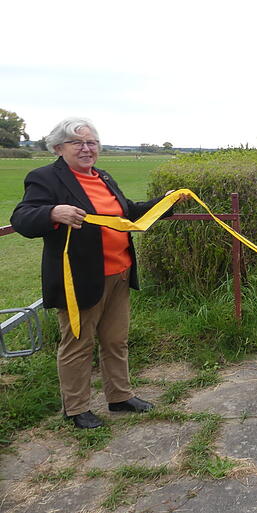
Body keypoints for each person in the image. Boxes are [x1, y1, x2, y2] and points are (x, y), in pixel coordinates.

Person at [11, 118, 183, 429]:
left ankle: (119, 396)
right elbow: (22, 218)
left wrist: (165, 203)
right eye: (78, 143)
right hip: (79, 279)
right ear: (59, 148)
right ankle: (76, 409)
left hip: (119, 273)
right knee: (78, 344)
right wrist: (51, 212)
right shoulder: (44, 178)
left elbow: (127, 212)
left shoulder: (103, 177)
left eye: (92, 142)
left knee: (116, 340)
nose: (87, 148)